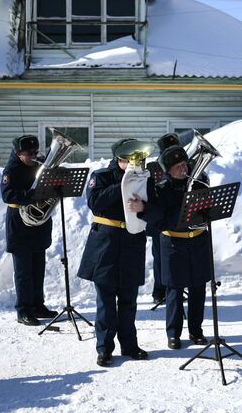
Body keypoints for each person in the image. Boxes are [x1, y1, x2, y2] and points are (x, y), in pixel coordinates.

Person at [77, 138, 154, 367]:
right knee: (106, 299)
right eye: (129, 159)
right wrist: (124, 184)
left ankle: (130, 345)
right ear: (118, 159)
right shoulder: (100, 176)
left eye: (138, 159)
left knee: (129, 299)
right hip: (106, 243)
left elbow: (154, 207)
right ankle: (104, 348)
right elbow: (96, 203)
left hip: (132, 241)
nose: (135, 163)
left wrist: (144, 207)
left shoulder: (144, 178)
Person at [138, 145, 211, 349]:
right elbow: (156, 221)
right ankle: (173, 334)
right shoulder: (161, 190)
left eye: (184, 164)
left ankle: (196, 331)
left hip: (197, 240)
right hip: (173, 242)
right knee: (174, 290)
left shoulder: (198, 183)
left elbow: (209, 211)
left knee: (198, 288)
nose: (183, 169)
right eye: (177, 166)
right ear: (168, 170)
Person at [1, 135, 58, 326]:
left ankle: (37, 305)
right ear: (18, 153)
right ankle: (23, 310)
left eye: (35, 152)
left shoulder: (38, 165)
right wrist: (32, 196)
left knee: (38, 268)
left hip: (38, 223)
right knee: (23, 271)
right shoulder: (11, 170)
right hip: (19, 223)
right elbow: (8, 195)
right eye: (29, 153)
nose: (34, 156)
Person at [145, 132, 180, 304]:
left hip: (177, 218)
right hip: (159, 220)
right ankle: (159, 291)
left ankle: (176, 287)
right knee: (160, 257)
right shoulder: (153, 167)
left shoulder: (183, 164)